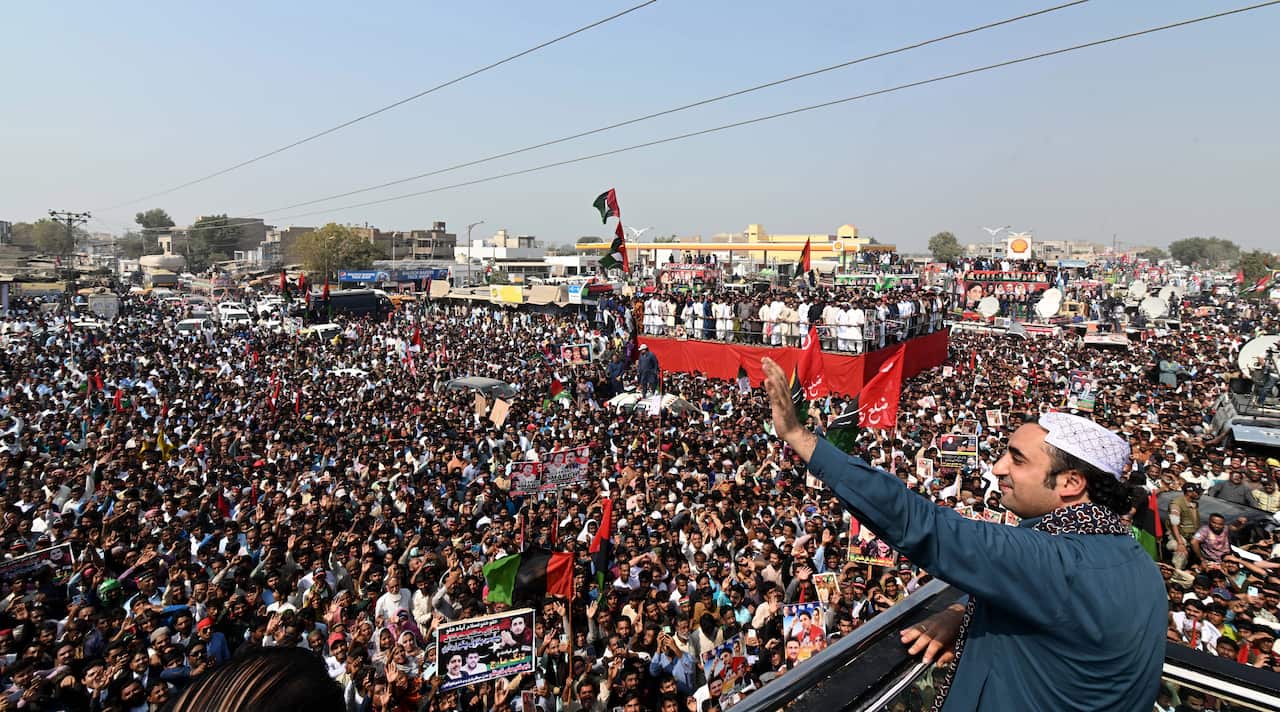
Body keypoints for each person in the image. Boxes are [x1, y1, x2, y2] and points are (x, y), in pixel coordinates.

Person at [759, 356, 1166, 710]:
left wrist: (799, 436)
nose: (998, 468)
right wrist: (963, 612)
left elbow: (924, 524)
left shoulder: (1054, 562)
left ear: (1071, 483)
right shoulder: (1139, 564)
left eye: (1018, 460)